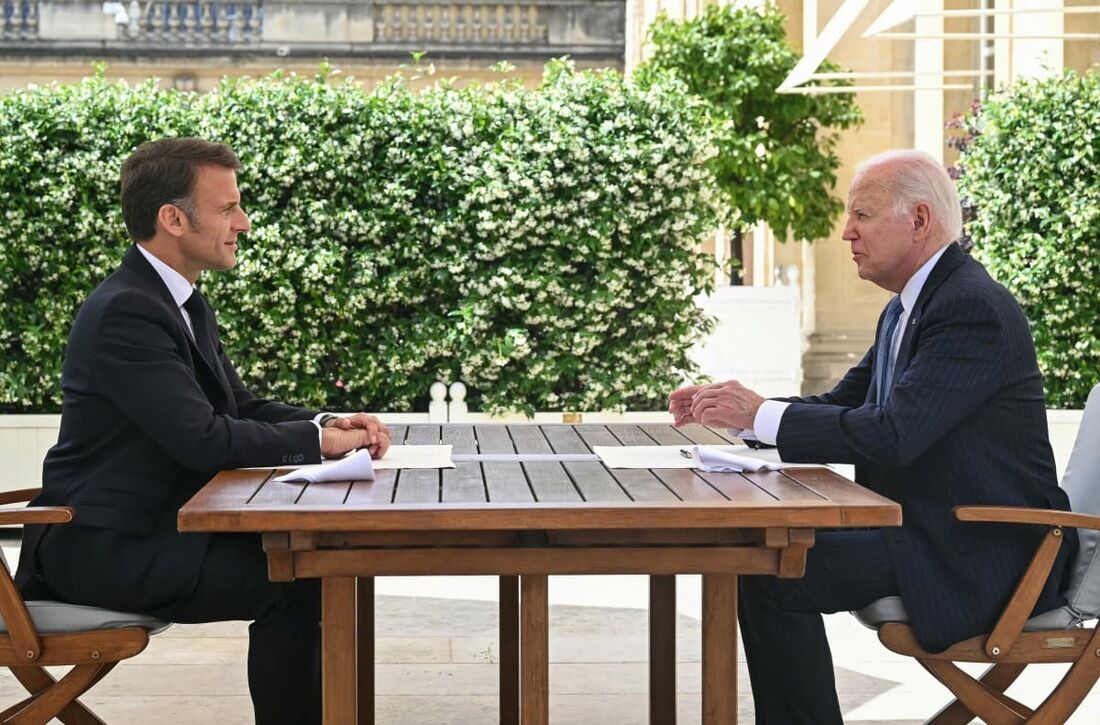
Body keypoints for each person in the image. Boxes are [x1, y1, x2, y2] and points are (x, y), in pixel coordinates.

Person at [668, 149, 1076, 723]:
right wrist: (743, 419)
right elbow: (843, 405)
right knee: (763, 557)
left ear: (918, 221)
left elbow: (892, 435)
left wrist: (761, 415)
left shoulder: (969, 308)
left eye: (861, 215)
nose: (845, 233)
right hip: (938, 532)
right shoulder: (909, 306)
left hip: (985, 552)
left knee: (770, 569)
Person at [15, 137, 390, 725]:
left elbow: (236, 405)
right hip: (103, 549)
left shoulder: (179, 301)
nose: (241, 222)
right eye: (226, 208)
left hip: (152, 531)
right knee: (301, 580)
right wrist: (322, 445)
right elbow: (204, 439)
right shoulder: (127, 311)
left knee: (325, 559)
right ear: (172, 218)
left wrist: (325, 422)